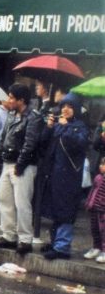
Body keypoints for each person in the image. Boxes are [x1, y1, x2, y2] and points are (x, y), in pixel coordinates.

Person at [35, 93, 89, 260]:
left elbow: (79, 145)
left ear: (76, 109)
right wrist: (49, 128)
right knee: (55, 209)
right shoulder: (59, 125)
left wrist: (65, 128)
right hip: (53, 175)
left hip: (69, 177)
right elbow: (43, 144)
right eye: (63, 106)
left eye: (70, 106)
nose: (65, 109)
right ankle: (55, 242)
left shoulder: (80, 127)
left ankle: (62, 247)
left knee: (65, 210)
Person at [0, 83, 42, 256]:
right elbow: (4, 137)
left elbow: (30, 143)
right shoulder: (11, 115)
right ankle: (9, 235)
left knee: (22, 203)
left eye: (12, 97)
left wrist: (20, 165)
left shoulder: (33, 117)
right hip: (7, 162)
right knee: (5, 200)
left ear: (21, 100)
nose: (9, 100)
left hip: (23, 165)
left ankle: (25, 239)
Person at [84, 155, 105, 263]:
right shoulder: (98, 178)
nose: (101, 166)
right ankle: (97, 247)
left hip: (103, 210)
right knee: (95, 229)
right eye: (101, 164)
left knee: (103, 230)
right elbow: (92, 192)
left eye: (103, 165)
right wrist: (89, 203)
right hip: (95, 209)